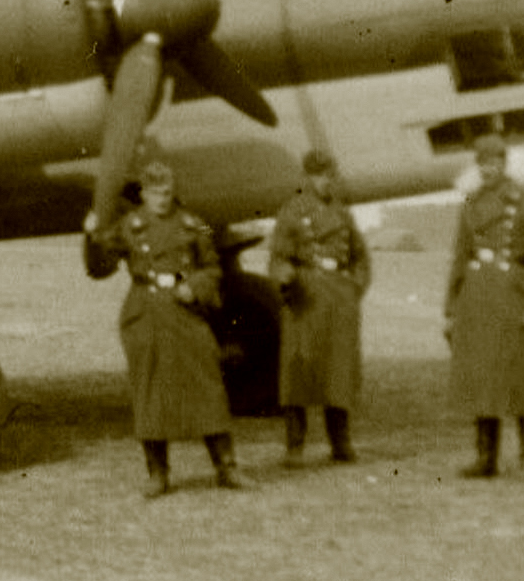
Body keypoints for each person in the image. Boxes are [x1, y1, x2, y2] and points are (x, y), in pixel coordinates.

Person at [85, 159, 244, 497]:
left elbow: (213, 267)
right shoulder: (130, 225)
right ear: (144, 194)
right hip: (146, 310)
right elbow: (98, 266)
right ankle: (158, 474)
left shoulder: (193, 224)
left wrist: (195, 287)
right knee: (150, 392)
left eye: (167, 193)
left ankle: (227, 467)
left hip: (185, 310)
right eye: (155, 193)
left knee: (207, 386)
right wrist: (91, 235)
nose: (162, 199)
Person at [445, 133, 524, 479]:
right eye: (483, 163)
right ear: (478, 166)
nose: (489, 169)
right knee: (483, 379)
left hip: (514, 300)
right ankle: (486, 458)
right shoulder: (470, 204)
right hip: (477, 301)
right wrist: (450, 308)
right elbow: (460, 259)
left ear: (504, 164)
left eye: (495, 162)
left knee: (521, 379)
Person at [268, 148, 371, 464]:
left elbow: (360, 257)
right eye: (319, 176)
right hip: (305, 297)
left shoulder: (343, 214)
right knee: (298, 372)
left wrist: (354, 288)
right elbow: (278, 257)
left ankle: (340, 443)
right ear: (307, 177)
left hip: (339, 298)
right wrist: (285, 277)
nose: (326, 181)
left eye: (330, 176)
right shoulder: (292, 212)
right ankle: (294, 447)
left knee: (338, 371)